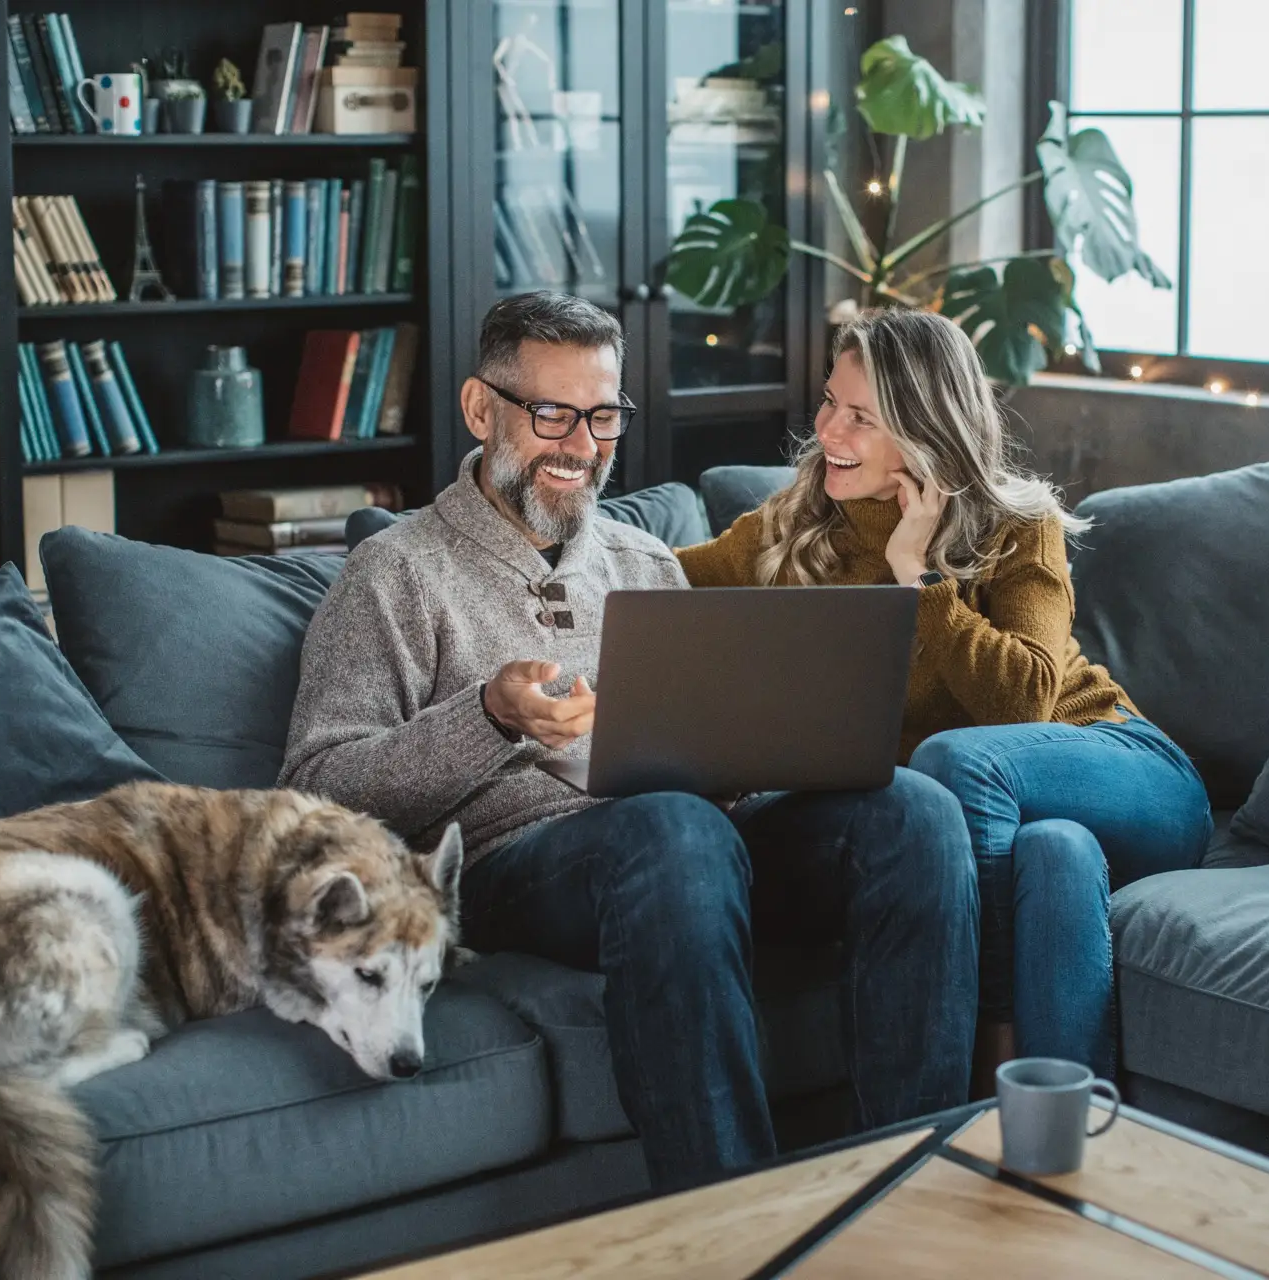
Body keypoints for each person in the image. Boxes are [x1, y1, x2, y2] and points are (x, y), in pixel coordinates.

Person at [280, 292, 978, 1188]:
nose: (582, 445)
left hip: (692, 843)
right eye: (552, 414)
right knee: (673, 831)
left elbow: (704, 756)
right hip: (516, 865)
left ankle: (915, 1191)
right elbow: (318, 786)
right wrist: (487, 716)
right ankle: (732, 1224)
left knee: (913, 808)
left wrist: (751, 758)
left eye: (603, 415)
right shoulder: (395, 572)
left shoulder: (645, 565)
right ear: (480, 409)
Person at [675, 308, 1210, 1079]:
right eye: (830, 401)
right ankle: (1065, 1134)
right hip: (1033, 824)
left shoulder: (1015, 525)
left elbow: (1022, 704)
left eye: (861, 417)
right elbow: (651, 581)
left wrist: (917, 576)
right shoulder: (790, 529)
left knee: (958, 762)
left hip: (1127, 771)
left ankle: (988, 1039)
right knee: (1054, 855)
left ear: (926, 431)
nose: (828, 429)